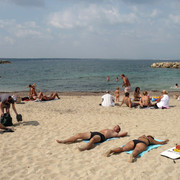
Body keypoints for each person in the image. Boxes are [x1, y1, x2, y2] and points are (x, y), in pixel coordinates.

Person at [56, 125, 128, 151]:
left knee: (93, 139)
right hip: (95, 132)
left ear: (118, 130)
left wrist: (119, 133)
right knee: (78, 135)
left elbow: (125, 133)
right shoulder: (109, 129)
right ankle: (64, 141)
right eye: (115, 125)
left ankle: (85, 147)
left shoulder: (115, 133)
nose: (115, 126)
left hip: (101, 137)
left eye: (117, 127)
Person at [104, 135, 169, 163]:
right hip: (142, 143)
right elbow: (160, 142)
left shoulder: (141, 136)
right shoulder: (150, 139)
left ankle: (111, 150)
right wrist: (165, 140)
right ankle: (132, 155)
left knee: (123, 148)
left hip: (134, 141)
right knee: (137, 150)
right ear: (151, 137)